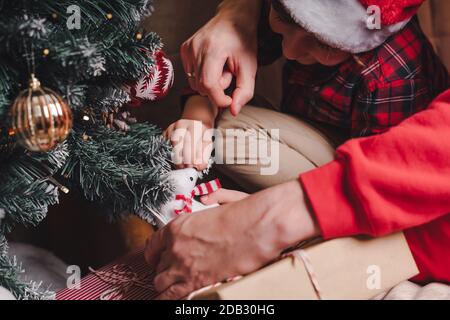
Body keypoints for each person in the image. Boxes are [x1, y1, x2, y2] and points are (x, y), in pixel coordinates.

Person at [145, 0, 450, 300]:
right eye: (283, 22)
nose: (290, 50)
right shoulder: (290, 10)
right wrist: (196, 119)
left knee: (228, 142)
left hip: (378, 176)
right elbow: (218, 74)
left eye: (323, 44)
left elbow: (390, 190)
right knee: (222, 136)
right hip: (321, 153)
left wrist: (274, 219)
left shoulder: (392, 73)